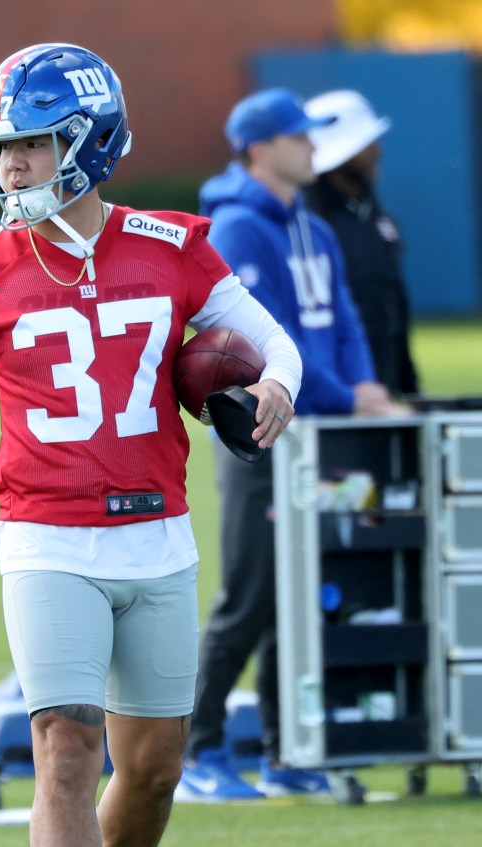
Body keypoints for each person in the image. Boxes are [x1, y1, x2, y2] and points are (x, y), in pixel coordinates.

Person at [0, 45, 301, 846]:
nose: (12, 166)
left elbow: (277, 343)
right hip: (47, 540)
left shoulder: (171, 245)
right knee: (66, 751)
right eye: (2, 148)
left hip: (158, 535)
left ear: (90, 140)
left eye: (32, 144)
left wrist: (278, 385)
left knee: (156, 769)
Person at [179, 87, 409, 801]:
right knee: (250, 596)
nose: (313, 146)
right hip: (258, 435)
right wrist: (350, 397)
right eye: (298, 136)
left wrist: (363, 387)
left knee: (299, 597)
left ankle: (286, 752)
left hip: (319, 431)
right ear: (259, 148)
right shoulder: (237, 228)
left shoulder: (312, 225)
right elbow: (268, 340)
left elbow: (344, 324)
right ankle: (195, 752)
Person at [303, 89, 420, 397]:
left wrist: (408, 385)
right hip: (332, 394)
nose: (376, 151)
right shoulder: (307, 223)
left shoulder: (377, 216)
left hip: (383, 390)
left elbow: (394, 304)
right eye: (363, 144)